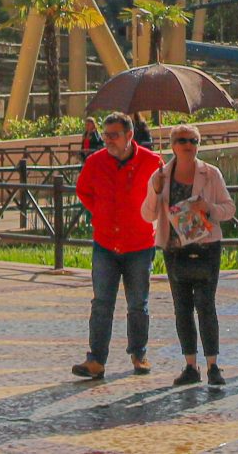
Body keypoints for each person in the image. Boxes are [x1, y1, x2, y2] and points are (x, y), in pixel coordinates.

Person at [71, 111, 162, 380]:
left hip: (140, 243)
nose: (108, 140)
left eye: (114, 135)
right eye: (106, 134)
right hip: (106, 243)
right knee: (101, 303)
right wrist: (99, 213)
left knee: (138, 303)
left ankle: (139, 353)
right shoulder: (95, 162)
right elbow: (83, 190)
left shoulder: (153, 162)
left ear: (129, 136)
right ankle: (96, 360)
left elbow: (163, 194)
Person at [146, 124, 236, 386]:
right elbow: (147, 215)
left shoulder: (211, 174)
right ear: (173, 145)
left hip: (207, 247)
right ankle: (190, 366)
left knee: (206, 305)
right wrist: (154, 189)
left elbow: (229, 208)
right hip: (174, 250)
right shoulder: (161, 176)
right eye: (183, 141)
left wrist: (208, 207)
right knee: (182, 308)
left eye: (194, 141)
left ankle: (213, 365)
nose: (189, 146)